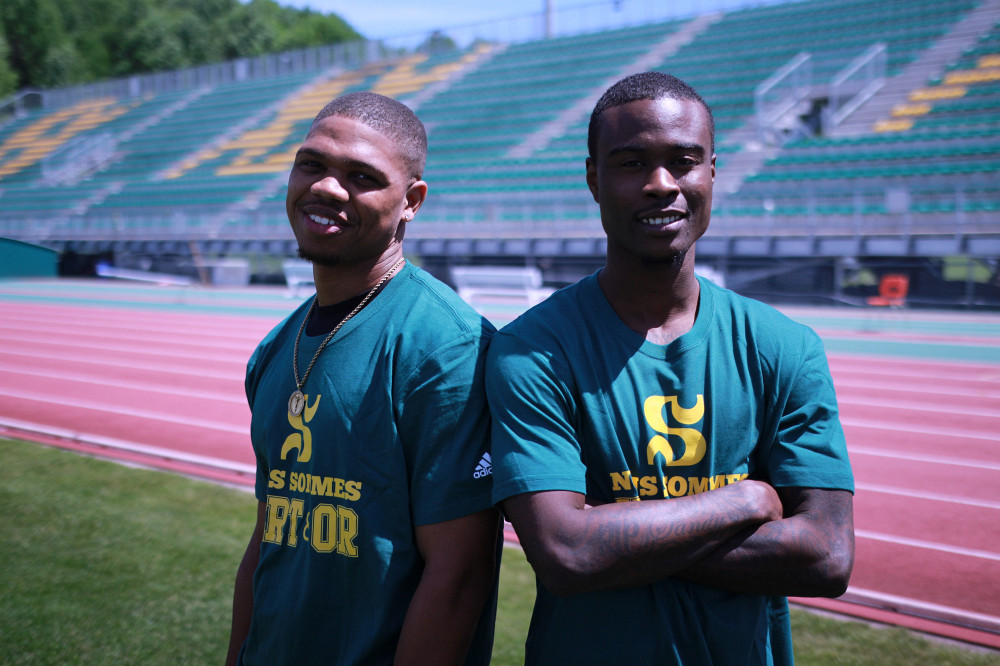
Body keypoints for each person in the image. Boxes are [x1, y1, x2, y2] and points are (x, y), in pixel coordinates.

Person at [486, 71, 855, 665]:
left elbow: (827, 556)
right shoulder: (532, 350)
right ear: (593, 178)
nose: (661, 184)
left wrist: (614, 540)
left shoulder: (786, 346)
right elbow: (564, 555)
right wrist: (744, 501)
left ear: (712, 171)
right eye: (631, 163)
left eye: (683, 161)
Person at [226, 91, 501, 666]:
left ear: (411, 201)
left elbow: (458, 576)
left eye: (361, 177)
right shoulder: (276, 348)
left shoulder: (448, 348)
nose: (327, 187)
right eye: (312, 165)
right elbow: (268, 539)